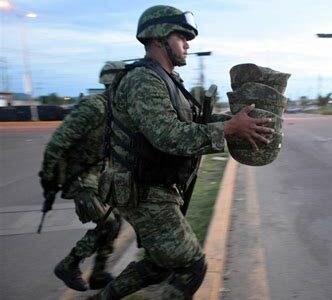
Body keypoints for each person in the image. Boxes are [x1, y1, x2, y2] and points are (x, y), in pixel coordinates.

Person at [87, 5, 274, 300]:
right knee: (192, 266)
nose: (187, 44)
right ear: (159, 39)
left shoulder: (166, 79)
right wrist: (228, 130)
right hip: (143, 190)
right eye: (181, 37)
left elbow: (191, 124)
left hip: (154, 185)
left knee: (160, 264)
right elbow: (169, 136)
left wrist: (236, 123)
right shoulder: (143, 80)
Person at [39, 61, 126, 291]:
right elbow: (57, 143)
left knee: (117, 220)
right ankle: (68, 265)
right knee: (107, 223)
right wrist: (47, 179)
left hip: (97, 173)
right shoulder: (94, 107)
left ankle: (98, 273)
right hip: (79, 175)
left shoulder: (117, 108)